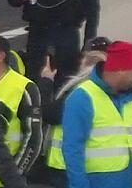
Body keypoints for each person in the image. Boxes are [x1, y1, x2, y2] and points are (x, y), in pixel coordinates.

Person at [61, 41, 132, 188]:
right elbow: (72, 149)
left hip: (128, 181)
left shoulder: (130, 97)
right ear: (121, 70)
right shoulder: (83, 97)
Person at [40, 49, 107, 188]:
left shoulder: (82, 90)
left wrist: (46, 81)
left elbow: (51, 114)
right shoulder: (104, 92)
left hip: (64, 163)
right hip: (84, 164)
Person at [0, 34, 42, 173]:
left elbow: (32, 137)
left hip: (4, 171)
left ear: (0, 56)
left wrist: (16, 173)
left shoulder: (24, 87)